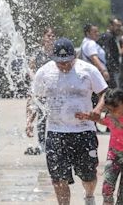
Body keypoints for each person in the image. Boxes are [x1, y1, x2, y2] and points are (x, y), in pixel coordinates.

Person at [33, 37, 108, 205]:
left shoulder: (88, 70)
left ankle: (89, 196)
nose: (64, 65)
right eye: (60, 62)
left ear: (74, 56)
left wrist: (97, 110)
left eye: (67, 61)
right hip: (56, 132)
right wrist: (29, 121)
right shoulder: (44, 72)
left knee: (88, 175)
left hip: (84, 131)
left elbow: (104, 92)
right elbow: (35, 99)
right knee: (58, 178)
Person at [75, 88, 123, 205]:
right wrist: (88, 117)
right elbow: (105, 121)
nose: (113, 112)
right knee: (107, 189)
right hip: (114, 153)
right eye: (110, 109)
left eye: (116, 108)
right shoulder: (110, 114)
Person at [25, 27, 55, 155]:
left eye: (53, 35)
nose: (51, 38)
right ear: (43, 38)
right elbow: (30, 69)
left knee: (54, 116)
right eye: (48, 35)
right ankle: (42, 143)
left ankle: (53, 142)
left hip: (53, 90)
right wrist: (35, 79)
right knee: (40, 115)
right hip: (40, 90)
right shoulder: (38, 53)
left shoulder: (56, 53)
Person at [97, 18, 123, 88]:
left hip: (108, 70)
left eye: (120, 26)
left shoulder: (110, 36)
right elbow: (107, 54)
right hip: (108, 71)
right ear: (110, 26)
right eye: (117, 25)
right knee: (112, 93)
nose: (119, 28)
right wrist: (113, 67)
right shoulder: (108, 36)